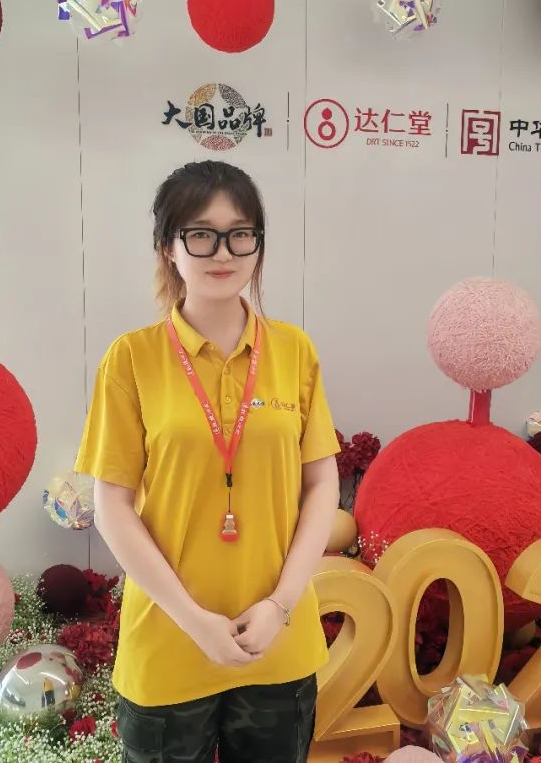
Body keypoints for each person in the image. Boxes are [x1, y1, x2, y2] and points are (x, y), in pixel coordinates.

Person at [75, 160, 341, 763]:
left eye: (240, 233)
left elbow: (322, 482)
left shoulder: (294, 351)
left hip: (278, 640)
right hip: (167, 641)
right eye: (201, 234)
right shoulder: (132, 359)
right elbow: (112, 504)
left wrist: (280, 605)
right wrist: (194, 621)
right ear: (168, 247)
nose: (223, 252)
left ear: (258, 245)